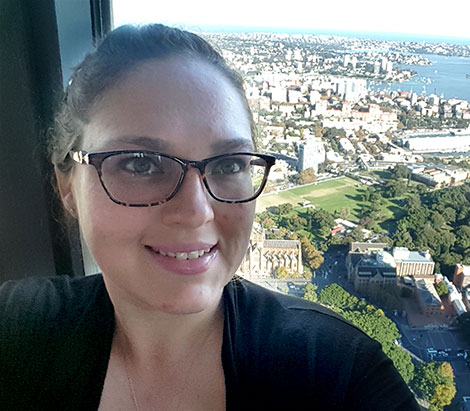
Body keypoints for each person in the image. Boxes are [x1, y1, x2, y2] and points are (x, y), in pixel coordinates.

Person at [0, 24, 419, 410]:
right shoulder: (18, 331)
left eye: (228, 164)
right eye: (141, 164)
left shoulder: (337, 372)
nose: (196, 212)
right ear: (68, 187)